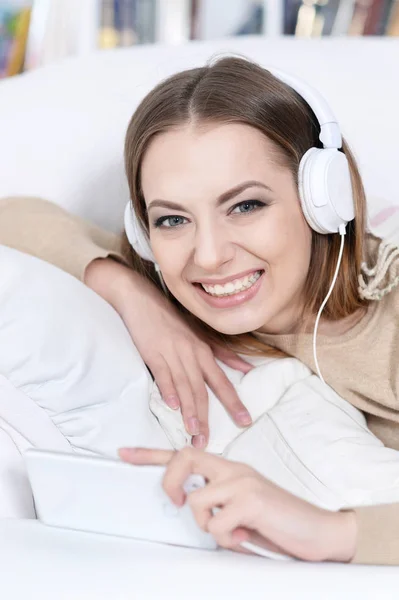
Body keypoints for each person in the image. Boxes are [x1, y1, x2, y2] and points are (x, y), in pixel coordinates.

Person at [1, 56, 399, 564]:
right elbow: (13, 215)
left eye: (246, 206)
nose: (208, 256)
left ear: (323, 197)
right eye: (171, 219)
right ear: (144, 233)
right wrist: (127, 291)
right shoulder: (165, 284)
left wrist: (328, 533)